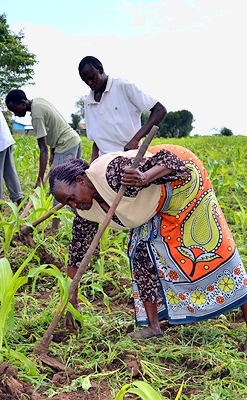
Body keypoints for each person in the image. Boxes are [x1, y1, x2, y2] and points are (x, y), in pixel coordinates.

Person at [48, 144, 247, 358]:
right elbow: (77, 254)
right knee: (140, 252)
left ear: (80, 181)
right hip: (153, 202)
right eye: (67, 203)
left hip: (183, 185)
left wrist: (143, 178)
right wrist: (72, 299)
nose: (73, 205)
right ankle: (153, 327)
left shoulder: (111, 173)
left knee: (212, 248)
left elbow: (173, 162)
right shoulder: (85, 212)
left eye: (71, 198)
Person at [67, 56, 168, 300]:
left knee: (139, 225)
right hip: (102, 173)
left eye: (91, 76)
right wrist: (90, 171)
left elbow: (160, 110)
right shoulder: (89, 103)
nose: (89, 83)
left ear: (101, 70)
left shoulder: (123, 87)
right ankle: (89, 264)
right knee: (83, 214)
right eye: (84, 80)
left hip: (129, 166)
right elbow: (95, 141)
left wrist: (136, 138)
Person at [5, 89, 81, 230]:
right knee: (73, 183)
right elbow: (53, 127)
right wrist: (53, 152)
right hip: (72, 140)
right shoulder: (38, 102)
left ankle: (54, 228)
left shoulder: (36, 116)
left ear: (22, 103)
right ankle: (80, 217)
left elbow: (42, 149)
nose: (16, 114)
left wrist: (40, 179)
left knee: (59, 186)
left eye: (15, 110)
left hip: (65, 145)